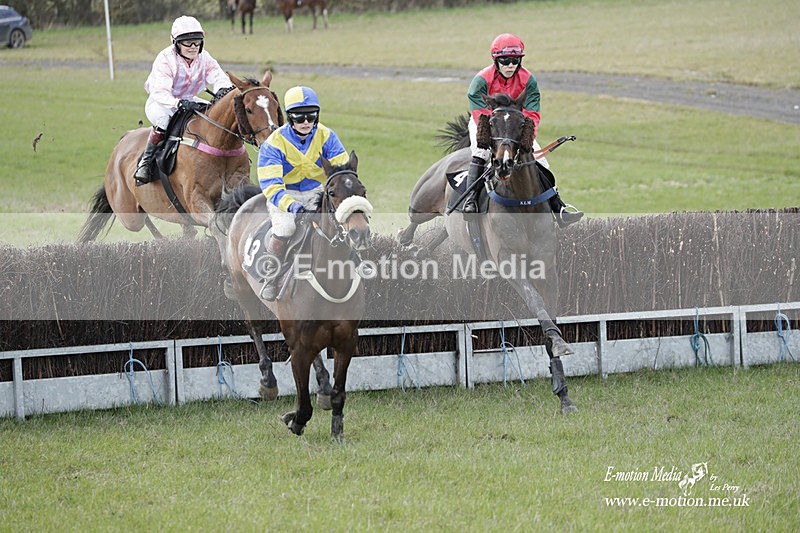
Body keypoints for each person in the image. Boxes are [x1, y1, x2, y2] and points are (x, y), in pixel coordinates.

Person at [463, 33, 583, 227]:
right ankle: (470, 201)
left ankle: (558, 207)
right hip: (487, 122)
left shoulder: (529, 80)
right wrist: (487, 133)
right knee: (481, 153)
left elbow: (532, 113)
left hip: (517, 125)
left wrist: (528, 135)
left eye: (515, 60)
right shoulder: (481, 80)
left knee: (541, 159)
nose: (511, 65)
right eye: (506, 60)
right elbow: (479, 109)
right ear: (496, 60)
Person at [256, 85, 350, 301]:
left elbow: (342, 170)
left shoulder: (326, 135)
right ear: (289, 118)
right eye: (300, 117)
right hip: (283, 196)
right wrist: (295, 208)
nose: (306, 122)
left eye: (311, 116)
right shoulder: (274, 143)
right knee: (286, 226)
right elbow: (272, 186)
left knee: (342, 223)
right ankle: (271, 276)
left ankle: (356, 263)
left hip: (316, 191)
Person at [134, 15, 233, 186]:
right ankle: (146, 162)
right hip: (162, 103)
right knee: (165, 121)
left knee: (212, 116)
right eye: (188, 42)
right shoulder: (165, 59)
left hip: (189, 100)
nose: (193, 47)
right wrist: (177, 103)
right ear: (176, 43)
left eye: (197, 42)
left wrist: (223, 89)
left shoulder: (205, 57)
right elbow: (160, 92)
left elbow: (219, 77)